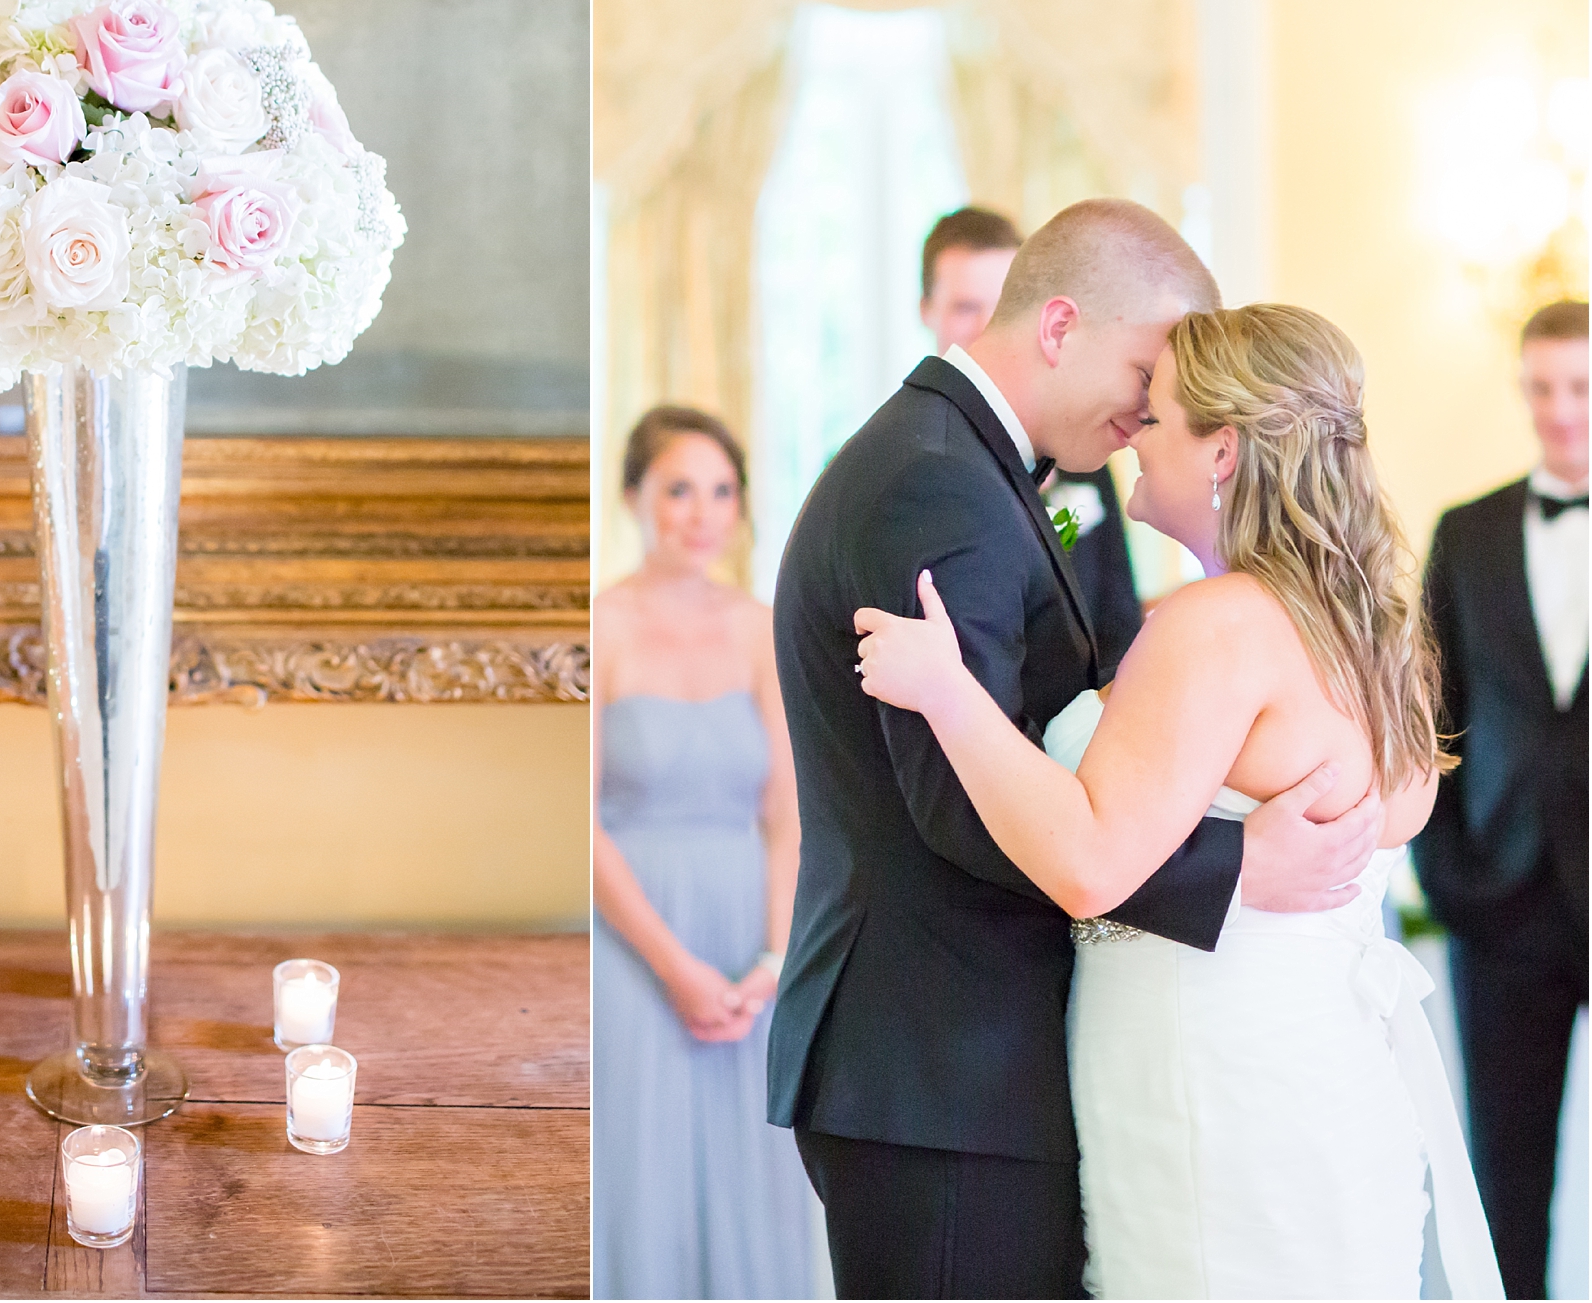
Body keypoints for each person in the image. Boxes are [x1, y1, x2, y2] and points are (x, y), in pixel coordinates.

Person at [766, 197, 1391, 1299]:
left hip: (964, 1066)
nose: (1153, 405)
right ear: (1059, 327)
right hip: (939, 1063)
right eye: (1147, 370)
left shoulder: (966, 465)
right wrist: (1238, 866)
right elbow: (954, 804)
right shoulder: (937, 483)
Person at [855, 301, 1501, 1298]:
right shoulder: (1371, 627)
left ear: (1223, 452)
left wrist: (945, 688)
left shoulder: (1215, 627)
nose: (1129, 435)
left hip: (1212, 1088)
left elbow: (1087, 864)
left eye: (1152, 418)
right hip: (1320, 1070)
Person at [592, 405, 813, 1300]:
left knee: (752, 1175)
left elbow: (788, 816)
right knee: (642, 1177)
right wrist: (677, 967)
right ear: (634, 496)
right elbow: (581, 823)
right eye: (679, 488)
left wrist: (773, 957)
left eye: (722, 491)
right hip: (636, 939)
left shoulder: (765, 627)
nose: (701, 512)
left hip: (746, 937)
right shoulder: (600, 626)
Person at [1414, 299, 1589, 1299]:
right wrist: (1444, 876)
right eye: (1540, 387)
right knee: (1503, 1178)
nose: (1559, 411)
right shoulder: (1466, 531)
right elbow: (1431, 712)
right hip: (1500, 901)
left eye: (1578, 387)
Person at [922, 206, 1144, 667]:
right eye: (966, 308)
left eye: (1004, 306)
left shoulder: (1081, 455)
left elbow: (1119, 620)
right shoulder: (907, 465)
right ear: (926, 311)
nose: (988, 328)